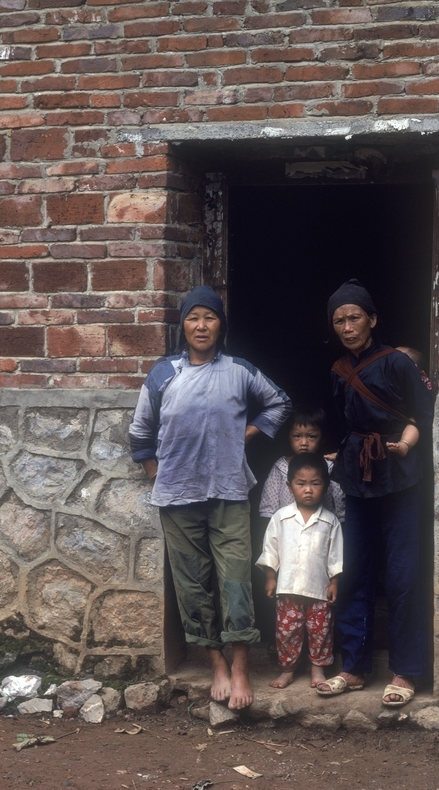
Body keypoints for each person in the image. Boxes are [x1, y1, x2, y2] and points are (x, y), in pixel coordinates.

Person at [129, 286, 291, 710]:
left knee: (235, 578)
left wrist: (245, 434)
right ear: (182, 325)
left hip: (228, 491)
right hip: (177, 497)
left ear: (221, 325)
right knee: (192, 584)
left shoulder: (239, 370)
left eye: (210, 317)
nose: (201, 326)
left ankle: (240, 667)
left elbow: (279, 403)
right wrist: (157, 475)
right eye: (193, 317)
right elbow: (140, 432)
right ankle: (216, 662)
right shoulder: (163, 373)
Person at [317, 279, 432, 708]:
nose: (347, 328)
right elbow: (341, 423)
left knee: (403, 574)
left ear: (372, 319)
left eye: (354, 318)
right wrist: (342, 451)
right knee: (354, 570)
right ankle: (353, 667)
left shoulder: (397, 364)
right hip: (357, 475)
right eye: (339, 321)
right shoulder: (337, 371)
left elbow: (423, 415)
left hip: (400, 473)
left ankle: (406, 670)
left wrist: (404, 444)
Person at [256, 452, 343, 689]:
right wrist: (270, 577)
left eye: (315, 483)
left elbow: (335, 555)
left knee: (320, 632)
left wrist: (334, 582)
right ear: (289, 486)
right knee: (287, 633)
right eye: (301, 484)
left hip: (319, 590)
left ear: (326, 486)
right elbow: (271, 548)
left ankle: (318, 670)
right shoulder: (281, 518)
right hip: (288, 589)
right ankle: (287, 670)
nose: (308, 490)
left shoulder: (330, 521)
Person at [258, 406, 345, 522]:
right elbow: (268, 508)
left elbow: (341, 510)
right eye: (297, 436)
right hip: (285, 529)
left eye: (311, 436)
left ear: (322, 438)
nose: (304, 443)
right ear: (289, 436)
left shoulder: (330, 467)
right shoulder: (281, 467)